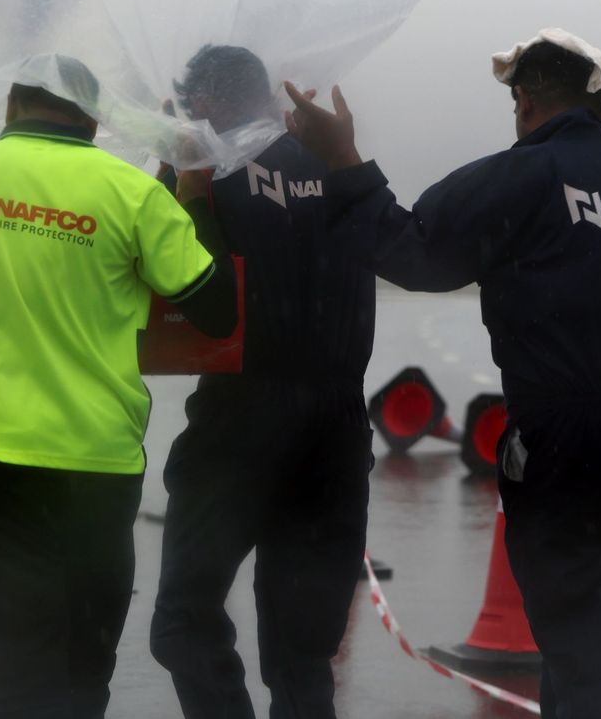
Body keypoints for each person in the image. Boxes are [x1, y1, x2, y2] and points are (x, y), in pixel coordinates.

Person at [283, 31, 601, 719]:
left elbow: (415, 254)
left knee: (587, 660)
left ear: (527, 100)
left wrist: (344, 160)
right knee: (597, 649)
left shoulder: (524, 177)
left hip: (566, 441)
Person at [0, 56, 238, 719]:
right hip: (96, 473)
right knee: (80, 681)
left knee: (10, 684)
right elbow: (217, 311)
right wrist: (191, 188)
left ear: (11, 101)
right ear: (94, 115)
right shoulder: (130, 192)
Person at [148, 45, 376, 719]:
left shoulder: (207, 174)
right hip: (336, 428)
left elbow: (173, 276)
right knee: (303, 654)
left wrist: (176, 171)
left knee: (185, 617)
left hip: (241, 421)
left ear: (206, 104)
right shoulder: (336, 166)